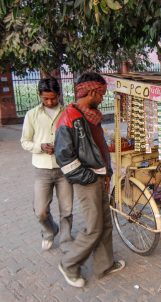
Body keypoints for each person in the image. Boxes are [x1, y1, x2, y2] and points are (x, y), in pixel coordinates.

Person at [54, 72, 125, 288]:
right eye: (101, 94)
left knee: (104, 223)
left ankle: (104, 265)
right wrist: (89, 177)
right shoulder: (69, 118)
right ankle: (69, 263)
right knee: (94, 228)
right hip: (88, 180)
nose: (103, 98)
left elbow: (98, 148)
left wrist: (105, 173)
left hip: (99, 176)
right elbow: (64, 158)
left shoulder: (90, 115)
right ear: (92, 92)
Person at [21, 77, 73, 251]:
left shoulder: (67, 112)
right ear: (40, 96)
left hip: (65, 168)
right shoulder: (32, 115)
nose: (50, 102)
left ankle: (66, 239)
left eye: (53, 98)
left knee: (66, 209)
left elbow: (74, 138)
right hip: (42, 169)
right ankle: (50, 231)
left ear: (59, 94)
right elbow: (24, 141)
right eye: (45, 99)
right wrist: (40, 147)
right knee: (40, 210)